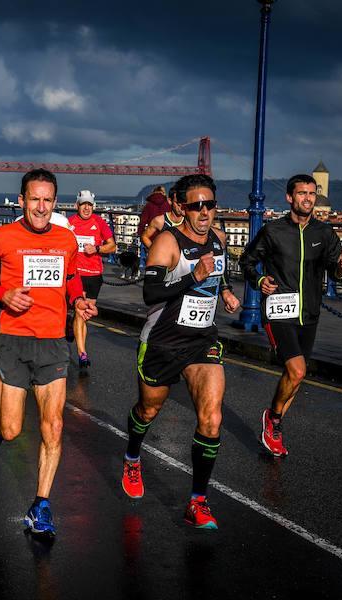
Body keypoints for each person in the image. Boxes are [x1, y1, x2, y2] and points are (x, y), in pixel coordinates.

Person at [0, 168, 97, 537]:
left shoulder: (66, 238)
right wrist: (1, 294)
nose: (41, 206)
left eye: (48, 200)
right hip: (12, 339)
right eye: (34, 199)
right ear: (21, 201)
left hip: (54, 341)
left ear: (56, 202)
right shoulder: (3, 236)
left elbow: (71, 275)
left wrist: (79, 299)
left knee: (53, 425)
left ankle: (40, 505)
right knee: (11, 430)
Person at [120, 174, 240, 530]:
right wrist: (192, 276)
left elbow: (221, 274)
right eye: (196, 205)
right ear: (182, 207)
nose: (204, 212)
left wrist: (229, 292)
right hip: (162, 342)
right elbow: (150, 294)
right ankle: (131, 455)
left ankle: (197, 502)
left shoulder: (219, 240)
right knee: (149, 409)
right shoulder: (166, 242)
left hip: (202, 342)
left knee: (212, 418)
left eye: (209, 205)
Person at [239, 173, 342, 457]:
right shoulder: (273, 231)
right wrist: (259, 280)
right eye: (302, 193)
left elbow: (335, 269)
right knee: (297, 370)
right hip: (278, 310)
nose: (308, 199)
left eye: (312, 194)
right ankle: (273, 420)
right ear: (290, 197)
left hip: (309, 313)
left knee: (297, 377)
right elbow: (247, 261)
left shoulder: (323, 233)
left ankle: (273, 424)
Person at [67, 189, 115, 368]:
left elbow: (112, 246)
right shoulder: (69, 223)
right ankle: (82, 353)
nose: (87, 208)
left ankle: (70, 326)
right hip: (76, 275)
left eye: (90, 205)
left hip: (94, 275)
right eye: (83, 204)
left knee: (85, 315)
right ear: (77, 206)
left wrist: (97, 249)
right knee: (81, 312)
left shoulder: (100, 222)